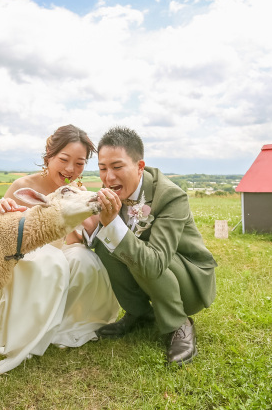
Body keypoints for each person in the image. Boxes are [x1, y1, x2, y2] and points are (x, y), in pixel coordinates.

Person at [0, 124, 119, 374]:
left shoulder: (78, 193)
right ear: (49, 155)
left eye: (79, 163)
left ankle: (66, 327)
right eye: (64, 159)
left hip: (61, 252)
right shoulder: (22, 186)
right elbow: (1, 232)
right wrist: (2, 208)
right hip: (24, 259)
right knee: (50, 260)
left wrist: (97, 209)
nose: (71, 169)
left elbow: (84, 235)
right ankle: (26, 334)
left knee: (85, 260)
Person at [84, 126, 217, 365]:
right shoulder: (111, 192)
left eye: (117, 167)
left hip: (187, 278)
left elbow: (155, 263)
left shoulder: (171, 197)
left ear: (139, 166)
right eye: (103, 168)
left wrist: (113, 223)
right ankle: (140, 313)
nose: (108, 177)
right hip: (152, 267)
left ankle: (179, 324)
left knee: (137, 251)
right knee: (106, 245)